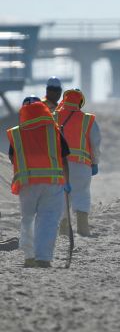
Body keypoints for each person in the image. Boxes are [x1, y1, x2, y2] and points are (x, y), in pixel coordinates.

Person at [6, 97, 70, 267]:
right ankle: (43, 258)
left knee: (28, 219)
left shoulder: (17, 132)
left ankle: (29, 257)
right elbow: (64, 157)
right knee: (48, 219)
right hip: (52, 182)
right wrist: (67, 181)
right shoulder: (54, 129)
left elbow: (12, 157)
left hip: (27, 183)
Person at [55, 89, 101, 237]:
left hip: (59, 165)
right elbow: (95, 144)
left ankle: (63, 230)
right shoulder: (88, 119)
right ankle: (83, 229)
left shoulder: (53, 117)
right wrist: (95, 163)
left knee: (61, 196)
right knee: (82, 194)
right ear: (80, 102)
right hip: (82, 165)